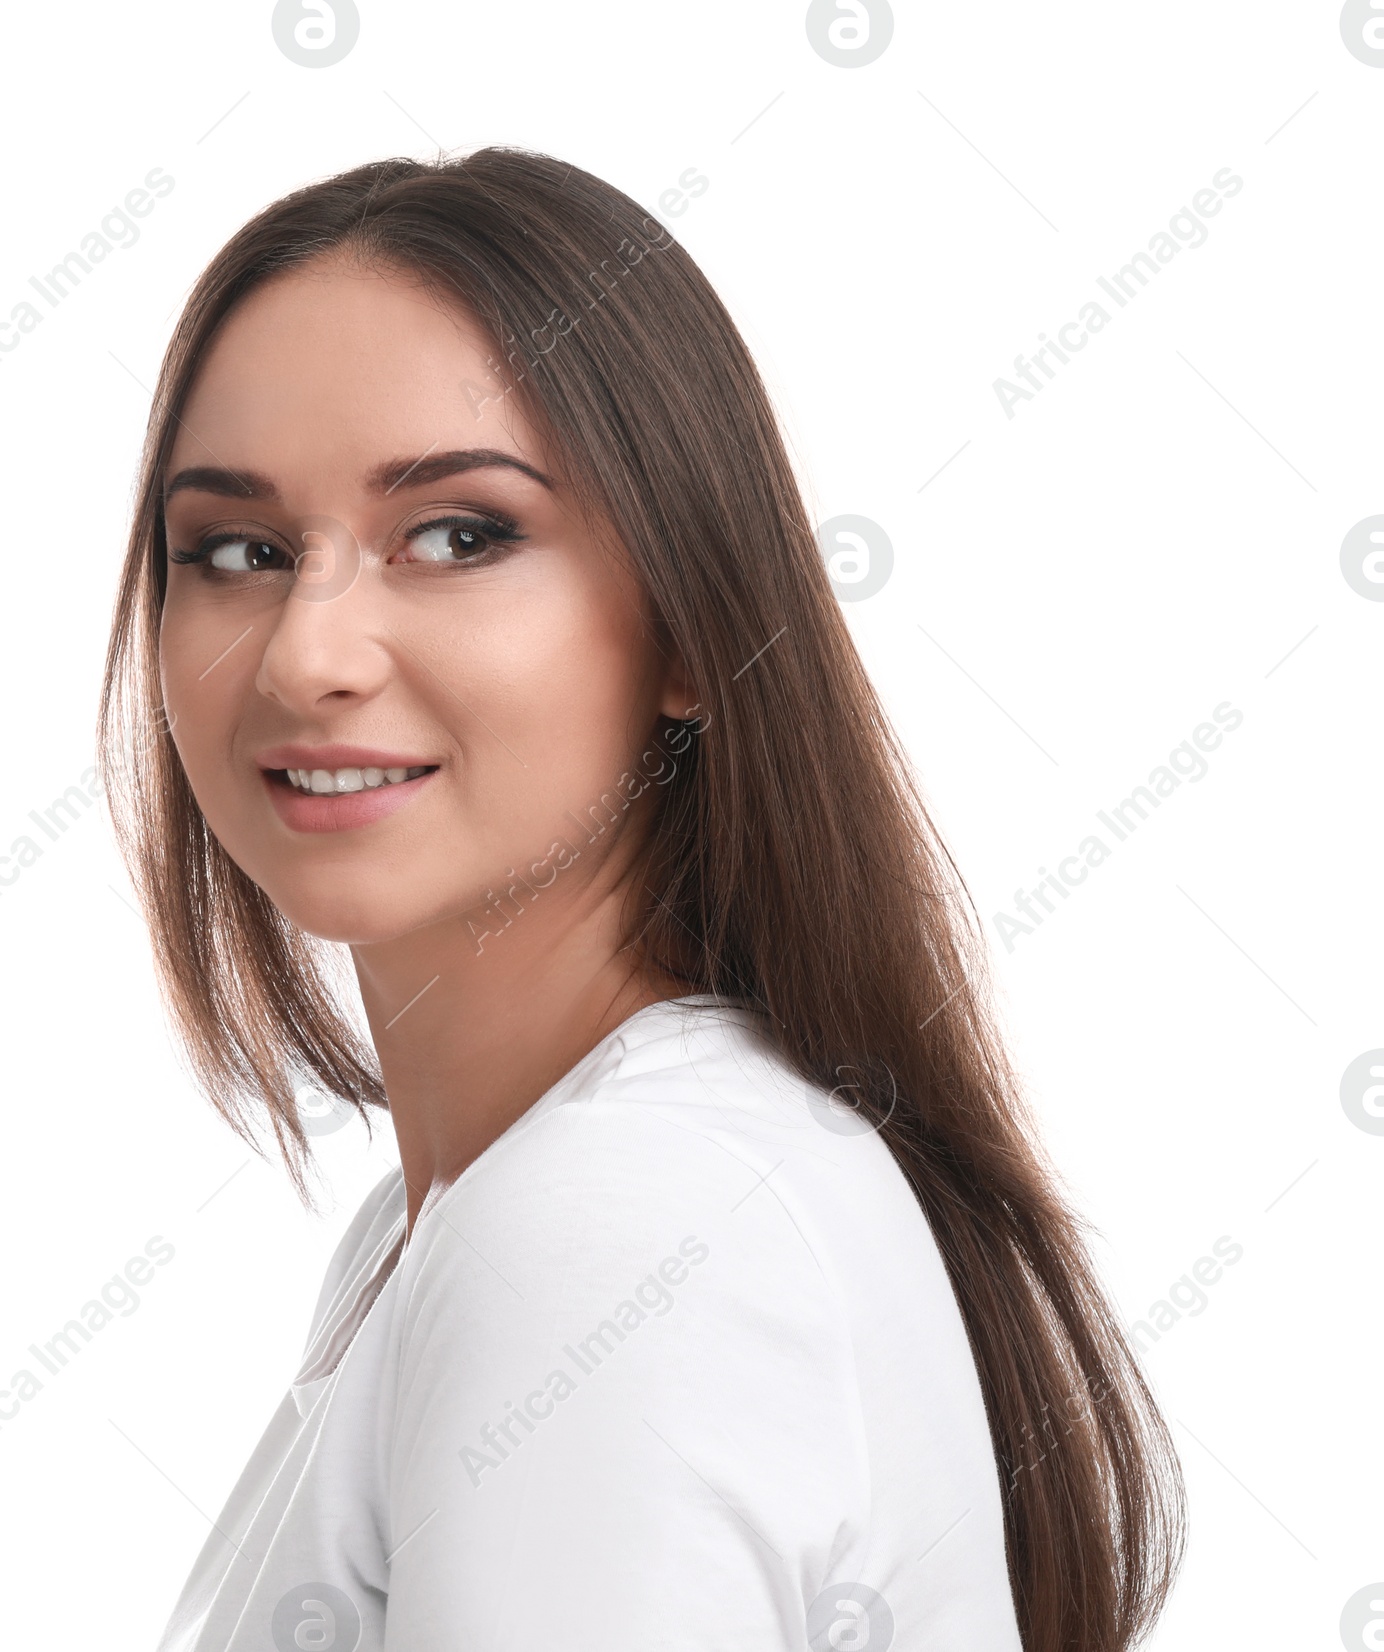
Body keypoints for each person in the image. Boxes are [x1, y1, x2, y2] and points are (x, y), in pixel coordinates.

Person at [99, 147, 1185, 1652]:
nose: (305, 657)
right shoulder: (458, 1225)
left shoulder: (611, 1227)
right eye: (237, 551)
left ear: (688, 629)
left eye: (460, 535)